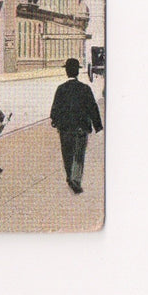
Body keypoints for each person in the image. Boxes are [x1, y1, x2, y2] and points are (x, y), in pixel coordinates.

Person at [50, 58, 103, 194]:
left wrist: (55, 121)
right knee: (79, 154)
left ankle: (69, 177)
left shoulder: (61, 89)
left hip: (65, 129)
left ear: (67, 72)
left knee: (67, 154)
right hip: (81, 128)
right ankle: (76, 179)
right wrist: (98, 126)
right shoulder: (85, 89)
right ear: (78, 72)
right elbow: (93, 108)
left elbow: (54, 110)